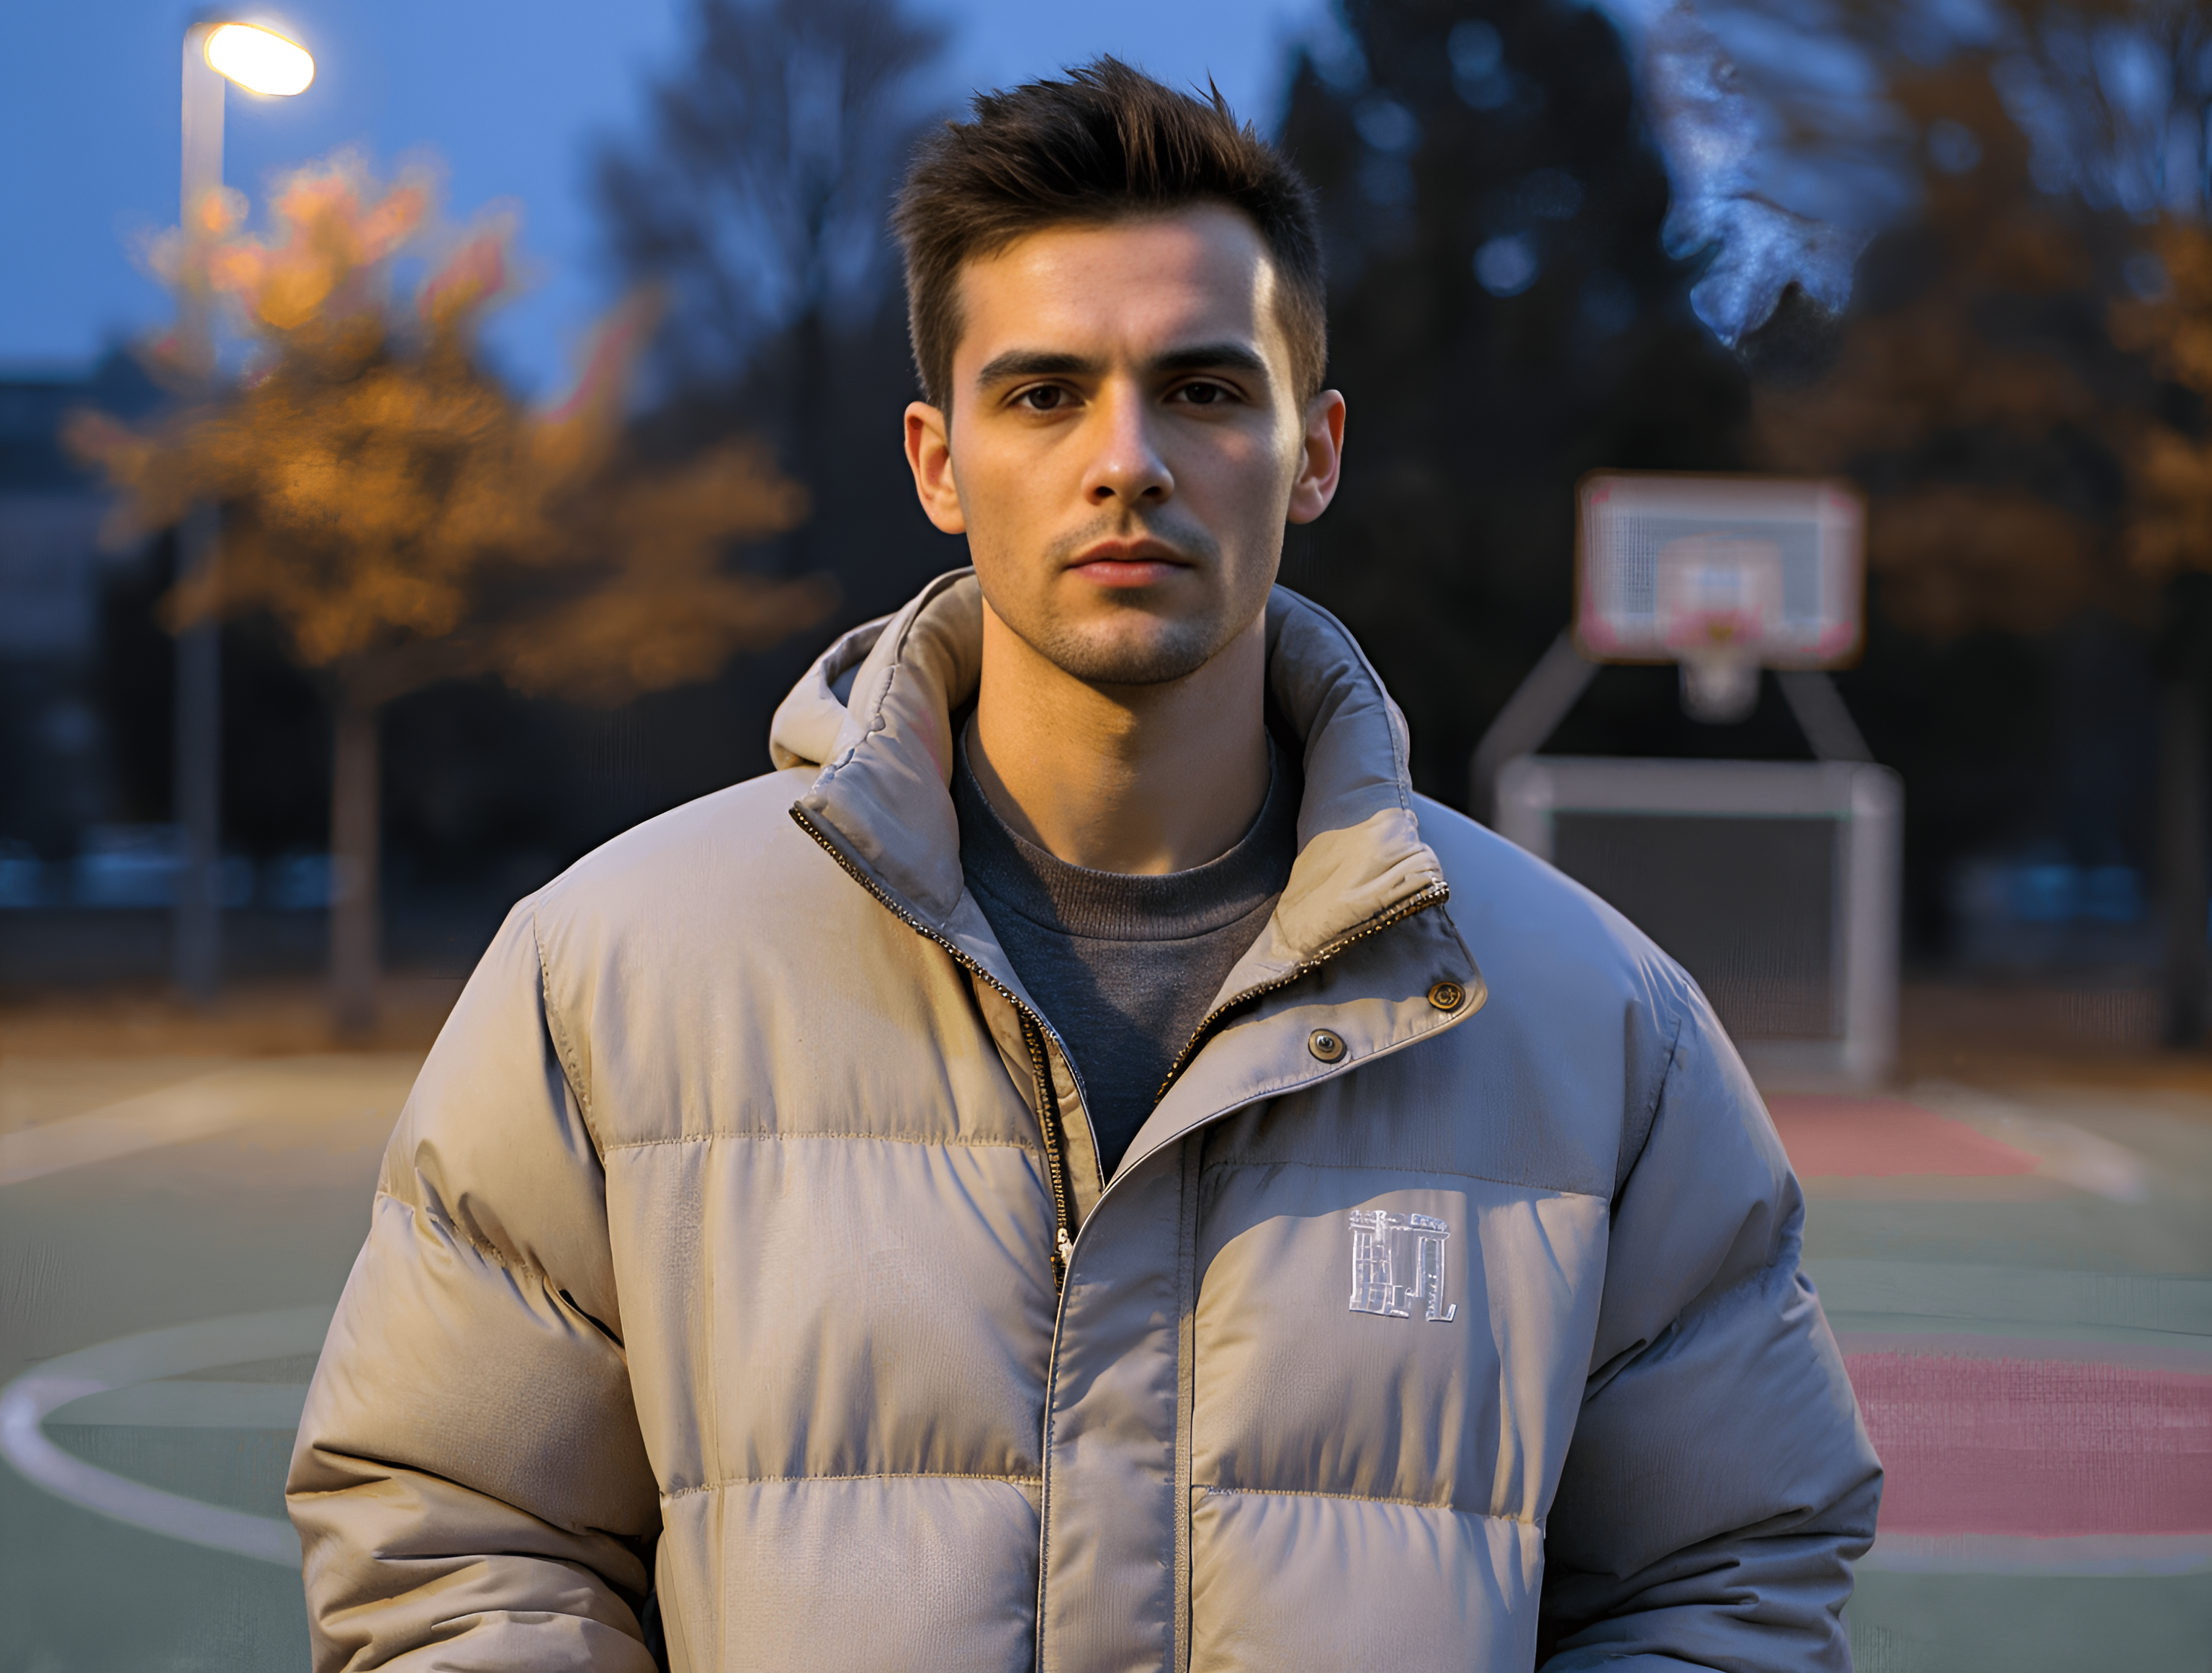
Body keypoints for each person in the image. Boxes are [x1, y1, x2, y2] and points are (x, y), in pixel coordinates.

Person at [287, 58, 1879, 1673]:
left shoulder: (1598, 1024)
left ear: (1313, 450)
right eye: (1045, 394)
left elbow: (1724, 1574)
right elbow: (455, 1539)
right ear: (936, 458)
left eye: (1202, 388)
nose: (1128, 459)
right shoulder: (607, 975)